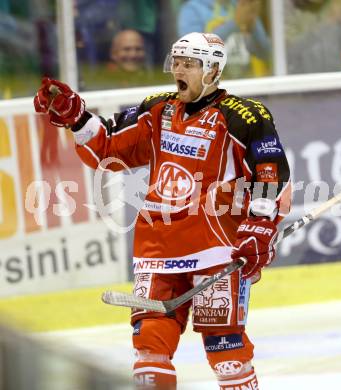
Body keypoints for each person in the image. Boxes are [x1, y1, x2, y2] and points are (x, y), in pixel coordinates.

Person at [34, 32, 292, 389]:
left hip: (216, 252)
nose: (179, 70)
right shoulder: (157, 108)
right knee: (149, 353)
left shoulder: (244, 116)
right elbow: (107, 147)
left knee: (226, 352)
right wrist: (76, 118)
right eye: (177, 62)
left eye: (190, 63)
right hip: (157, 252)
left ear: (214, 70)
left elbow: (270, 173)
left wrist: (259, 229)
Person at [178, 0, 272, 78]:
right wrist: (235, 23)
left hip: (251, 84)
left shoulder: (242, 5)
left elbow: (267, 55)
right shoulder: (192, 10)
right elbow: (192, 54)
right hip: (213, 92)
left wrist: (252, 24)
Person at [286, 0, 341, 74]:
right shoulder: (290, 7)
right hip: (303, 79)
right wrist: (326, 23)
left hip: (336, 78)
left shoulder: (336, 5)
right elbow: (290, 50)